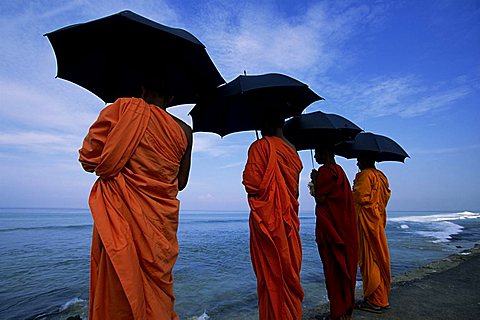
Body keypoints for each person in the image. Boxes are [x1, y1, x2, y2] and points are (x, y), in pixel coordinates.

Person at [79, 76, 192, 320]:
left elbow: (88, 159)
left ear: (142, 88)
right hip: (160, 225)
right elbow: (180, 183)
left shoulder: (121, 110)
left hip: (121, 218)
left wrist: (120, 156)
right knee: (157, 288)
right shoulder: (185, 131)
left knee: (120, 282)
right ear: (172, 98)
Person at [242, 114, 304, 320]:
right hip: (289, 223)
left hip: (267, 222)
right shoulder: (293, 151)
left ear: (266, 123)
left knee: (271, 279)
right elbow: (293, 193)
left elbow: (252, 185)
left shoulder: (260, 147)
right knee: (288, 275)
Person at [310, 145, 358, 320]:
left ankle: (338, 312)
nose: (315, 156)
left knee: (333, 271)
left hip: (331, 229)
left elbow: (321, 199)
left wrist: (315, 180)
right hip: (343, 227)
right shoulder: (340, 171)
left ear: (328, 153)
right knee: (344, 268)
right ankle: (345, 309)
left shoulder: (326, 172)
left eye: (319, 152)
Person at [353, 152, 391, 314]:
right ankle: (379, 297)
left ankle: (376, 300)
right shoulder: (381, 176)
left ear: (365, 159)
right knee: (378, 257)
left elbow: (360, 198)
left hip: (367, 223)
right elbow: (384, 196)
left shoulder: (365, 175)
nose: (357, 164)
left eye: (359, 160)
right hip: (378, 220)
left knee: (370, 260)